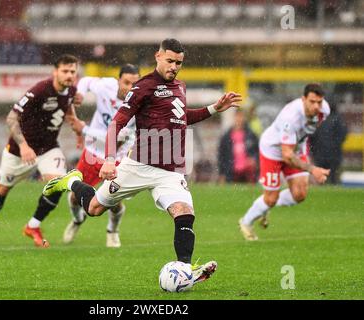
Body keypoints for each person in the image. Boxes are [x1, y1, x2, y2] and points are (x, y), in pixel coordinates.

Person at [43, 39, 242, 286]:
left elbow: (182, 117)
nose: (174, 67)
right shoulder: (143, 86)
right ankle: (72, 181)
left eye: (178, 62)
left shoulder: (180, 85)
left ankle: (185, 270)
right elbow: (117, 122)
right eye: (170, 61)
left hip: (170, 170)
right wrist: (109, 160)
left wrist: (214, 108)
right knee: (94, 208)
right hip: (138, 166)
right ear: (157, 56)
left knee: (184, 213)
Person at [0, 54, 85, 247]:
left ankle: (33, 225)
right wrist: (24, 145)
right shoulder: (39, 90)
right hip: (20, 150)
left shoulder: (72, 91)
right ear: (55, 72)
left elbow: (67, 107)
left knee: (59, 184)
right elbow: (11, 118)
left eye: (73, 71)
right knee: (2, 188)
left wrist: (75, 124)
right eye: (65, 71)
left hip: (48, 147)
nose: (69, 75)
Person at [239, 83, 331, 241]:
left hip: (295, 149)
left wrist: (301, 150)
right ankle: (246, 222)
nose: (316, 106)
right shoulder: (291, 117)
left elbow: (302, 136)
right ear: (303, 99)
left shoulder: (325, 110)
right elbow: (287, 155)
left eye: (319, 102)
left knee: (300, 194)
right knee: (270, 198)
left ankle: (265, 207)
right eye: (312, 101)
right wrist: (312, 169)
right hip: (272, 150)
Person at [64, 64, 140, 248]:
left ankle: (112, 231)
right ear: (118, 81)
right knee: (75, 196)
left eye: (135, 84)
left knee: (112, 201)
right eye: (126, 83)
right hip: (92, 153)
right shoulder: (106, 86)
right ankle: (77, 220)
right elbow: (87, 80)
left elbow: (116, 140)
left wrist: (84, 129)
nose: (130, 88)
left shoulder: (138, 106)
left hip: (117, 157)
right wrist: (80, 92)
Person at [217, 109, 259, 184]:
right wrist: (222, 173)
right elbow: (221, 155)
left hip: (248, 173)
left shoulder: (251, 135)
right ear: (234, 117)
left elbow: (257, 152)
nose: (239, 119)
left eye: (241, 116)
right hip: (231, 173)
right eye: (237, 116)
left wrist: (253, 159)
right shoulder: (226, 136)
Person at [310, 104, 348, 184]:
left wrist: (314, 150)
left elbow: (312, 136)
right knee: (333, 176)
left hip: (319, 153)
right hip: (334, 154)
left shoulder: (319, 119)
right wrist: (335, 146)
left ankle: (322, 189)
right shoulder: (338, 119)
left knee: (321, 177)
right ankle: (334, 187)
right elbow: (343, 134)